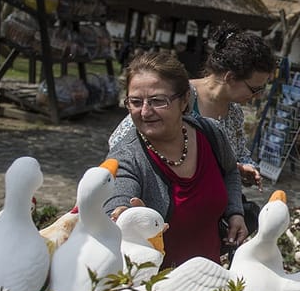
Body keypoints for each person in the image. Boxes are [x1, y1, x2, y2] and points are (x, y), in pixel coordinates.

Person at [105, 51, 247, 267]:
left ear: (184, 100)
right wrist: (126, 218)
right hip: (157, 285)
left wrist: (235, 212)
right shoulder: (127, 157)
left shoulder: (211, 134)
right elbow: (115, 207)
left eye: (157, 101)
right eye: (135, 102)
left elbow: (230, 171)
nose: (145, 112)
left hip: (210, 277)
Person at [109, 24, 275, 189]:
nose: (258, 96)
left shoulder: (234, 112)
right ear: (230, 77)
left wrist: (246, 168)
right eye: (255, 89)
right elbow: (119, 142)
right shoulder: (177, 96)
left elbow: (238, 154)